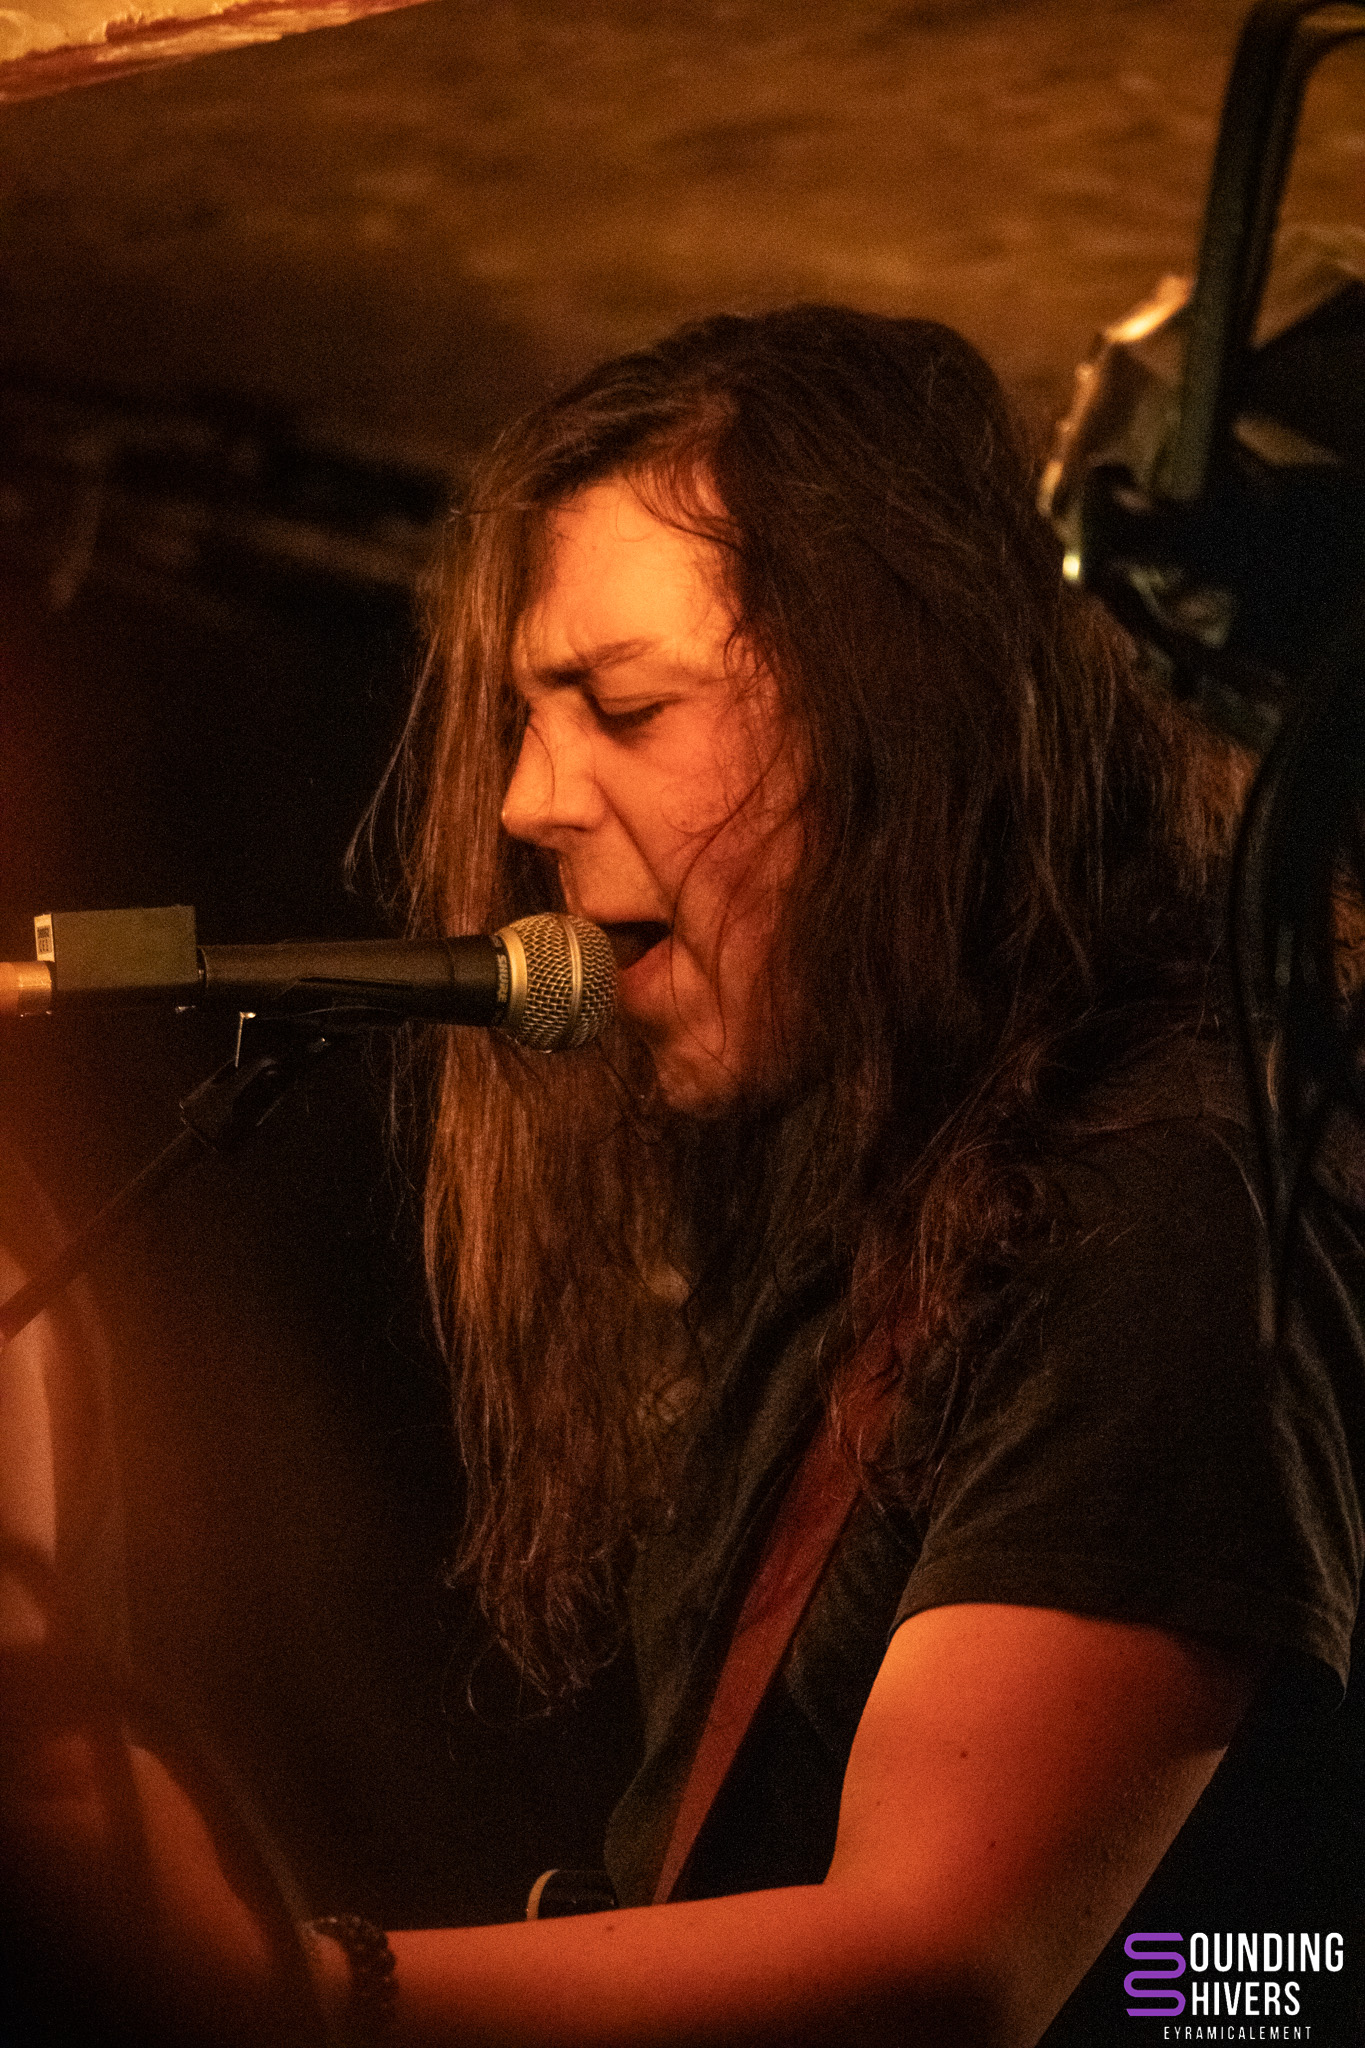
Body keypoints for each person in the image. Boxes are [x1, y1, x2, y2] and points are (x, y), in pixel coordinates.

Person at [3, 304, 1363, 2047]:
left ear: (904, 714)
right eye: (526, 717)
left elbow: (946, 1964)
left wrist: (298, 1994)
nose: (524, 801)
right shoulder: (885, 1179)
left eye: (624, 707)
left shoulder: (1171, 1190)